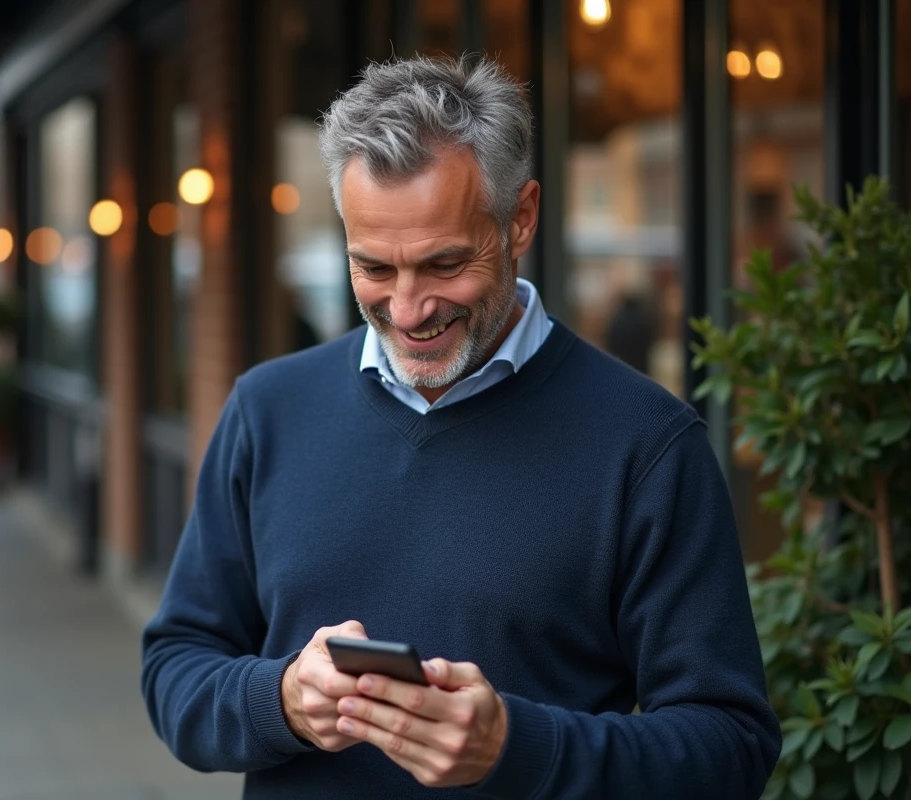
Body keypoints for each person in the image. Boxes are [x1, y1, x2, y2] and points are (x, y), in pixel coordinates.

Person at [141, 57, 780, 799]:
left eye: (445, 264)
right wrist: (277, 699)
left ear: (522, 219)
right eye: (373, 268)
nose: (409, 311)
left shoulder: (647, 444)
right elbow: (175, 669)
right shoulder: (266, 410)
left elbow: (731, 747)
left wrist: (517, 747)